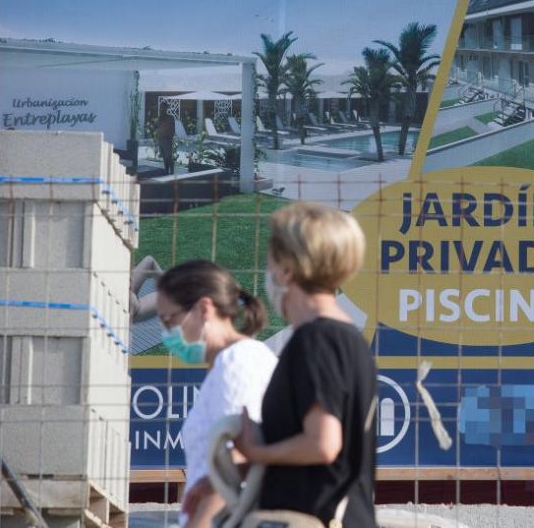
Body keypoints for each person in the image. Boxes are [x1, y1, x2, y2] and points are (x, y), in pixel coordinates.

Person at [236, 203, 377, 527]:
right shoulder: (350, 340)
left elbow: (323, 444)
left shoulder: (315, 340)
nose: (267, 272)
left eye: (270, 261)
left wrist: (257, 451)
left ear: (287, 270)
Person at [155, 260, 277, 528]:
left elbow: (234, 462)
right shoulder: (232, 362)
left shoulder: (237, 362)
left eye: (169, 320)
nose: (166, 334)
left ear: (203, 308)